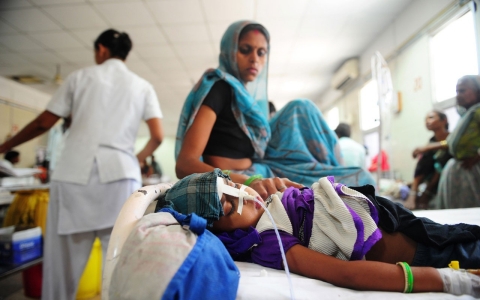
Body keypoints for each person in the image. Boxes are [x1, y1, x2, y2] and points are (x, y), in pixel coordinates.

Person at [0, 29, 164, 300]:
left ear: (101, 50)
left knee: (62, 265)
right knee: (118, 263)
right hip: (120, 179)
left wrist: (5, 146)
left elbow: (43, 123)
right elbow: (157, 135)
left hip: (75, 176)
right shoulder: (142, 86)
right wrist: (134, 158)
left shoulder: (80, 77)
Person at [156, 169, 480, 297]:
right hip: (420, 252)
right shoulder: (268, 241)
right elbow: (348, 274)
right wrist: (452, 280)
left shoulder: (266, 201)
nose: (244, 197)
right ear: (219, 233)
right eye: (228, 207)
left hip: (395, 218)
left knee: (463, 232)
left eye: (233, 186)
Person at [175, 20, 375, 200]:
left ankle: (331, 169)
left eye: (261, 53)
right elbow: (185, 164)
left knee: (357, 180)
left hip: (262, 170)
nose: (255, 59)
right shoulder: (219, 87)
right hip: (239, 180)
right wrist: (247, 181)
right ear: (228, 51)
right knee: (353, 184)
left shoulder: (245, 101)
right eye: (245, 49)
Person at [412, 75, 480, 209]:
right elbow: (452, 143)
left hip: (471, 168)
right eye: (457, 91)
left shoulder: (477, 113)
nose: (458, 95)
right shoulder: (467, 116)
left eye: (463, 91)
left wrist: (478, 155)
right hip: (459, 170)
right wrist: (427, 148)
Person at [404, 111, 451, 210]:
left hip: (445, 174)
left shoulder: (452, 137)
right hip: (431, 175)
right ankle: (414, 192)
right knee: (426, 156)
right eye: (425, 120)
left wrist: (427, 148)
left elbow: (451, 145)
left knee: (442, 157)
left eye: (431, 118)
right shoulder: (431, 141)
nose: (427, 121)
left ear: (444, 120)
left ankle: (426, 194)